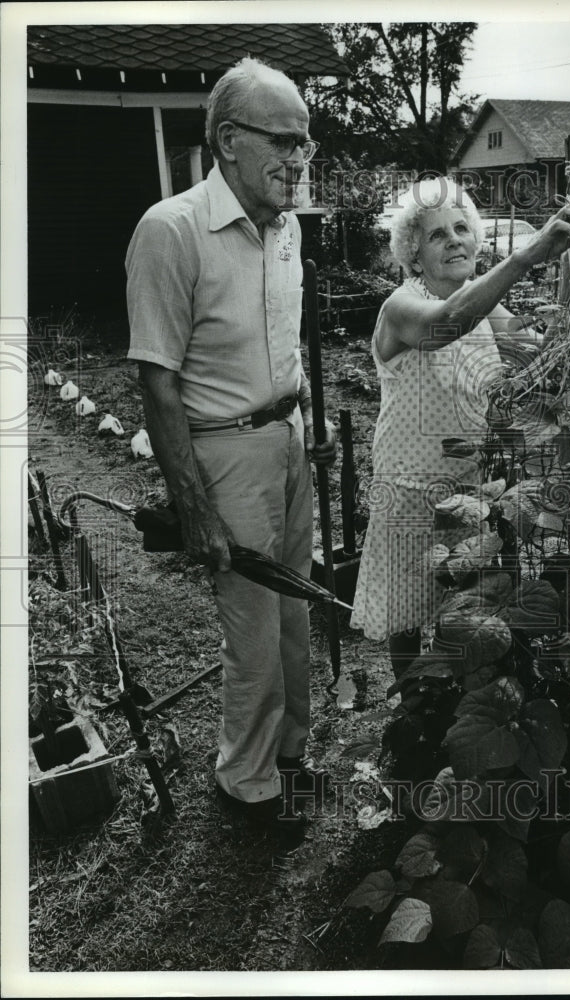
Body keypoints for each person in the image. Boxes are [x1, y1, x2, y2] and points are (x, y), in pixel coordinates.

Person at [125, 57, 335, 834]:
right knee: (251, 629)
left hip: (288, 443)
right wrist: (196, 509)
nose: (298, 159)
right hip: (227, 454)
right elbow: (157, 380)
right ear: (228, 141)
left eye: (306, 143)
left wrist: (302, 417)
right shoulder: (173, 230)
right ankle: (244, 781)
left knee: (294, 616)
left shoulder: (284, 233)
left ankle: (290, 756)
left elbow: (277, 342)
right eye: (284, 140)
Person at [349, 177, 570, 681]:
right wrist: (524, 258)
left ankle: (448, 699)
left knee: (469, 603)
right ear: (413, 254)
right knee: (406, 614)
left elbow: (540, 351)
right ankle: (412, 705)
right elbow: (448, 320)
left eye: (461, 228)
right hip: (411, 487)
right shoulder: (402, 306)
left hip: (473, 488)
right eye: (436, 235)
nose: (454, 239)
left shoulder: (488, 307)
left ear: (476, 240)